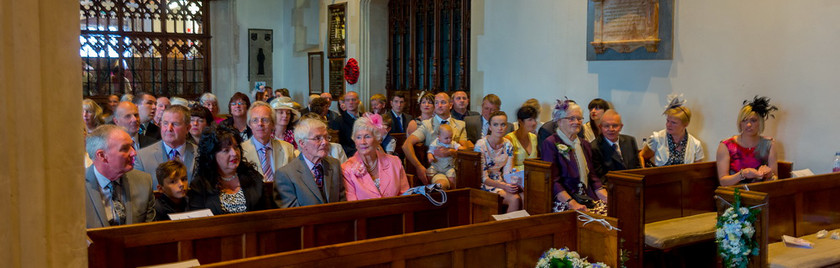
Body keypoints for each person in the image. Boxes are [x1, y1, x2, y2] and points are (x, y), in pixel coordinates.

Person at [540, 99, 606, 214]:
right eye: (571, 118)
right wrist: (572, 202)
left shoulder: (584, 144)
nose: (577, 122)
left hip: (586, 197)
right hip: (563, 200)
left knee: (616, 210)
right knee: (598, 219)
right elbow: (553, 181)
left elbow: (592, 176)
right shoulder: (550, 143)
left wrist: (604, 194)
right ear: (559, 121)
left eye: (579, 118)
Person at [188, 126, 271, 215]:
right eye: (226, 150)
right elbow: (198, 222)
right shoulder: (200, 184)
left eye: (236, 147)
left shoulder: (253, 176)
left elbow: (268, 214)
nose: (234, 153)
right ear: (212, 155)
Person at [85, 125, 156, 228]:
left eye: (132, 146)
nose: (134, 153)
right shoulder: (76, 187)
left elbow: (149, 231)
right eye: (125, 148)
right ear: (102, 156)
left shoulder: (144, 182)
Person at [275, 118, 347, 208]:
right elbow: (292, 214)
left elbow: (342, 202)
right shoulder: (286, 174)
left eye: (326, 137)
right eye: (318, 138)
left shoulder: (334, 165)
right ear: (302, 143)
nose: (325, 142)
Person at [403, 92, 470, 185]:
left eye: (443, 102)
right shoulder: (427, 124)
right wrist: (418, 166)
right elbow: (406, 145)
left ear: (450, 105)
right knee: (442, 184)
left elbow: (465, 150)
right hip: (436, 168)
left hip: (456, 167)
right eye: (436, 103)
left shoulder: (460, 124)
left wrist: (450, 151)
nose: (439, 105)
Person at [341, 113, 410, 201]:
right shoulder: (346, 169)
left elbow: (405, 196)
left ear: (377, 139)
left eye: (367, 136)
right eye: (358, 137)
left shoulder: (394, 162)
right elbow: (352, 205)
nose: (362, 142)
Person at [717, 96, 779, 186]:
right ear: (740, 123)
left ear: (760, 123)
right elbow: (723, 182)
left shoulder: (769, 145)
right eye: (744, 120)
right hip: (734, 196)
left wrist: (769, 175)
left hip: (761, 195)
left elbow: (775, 179)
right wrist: (742, 174)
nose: (748, 124)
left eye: (753, 120)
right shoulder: (726, 145)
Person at [135, 105, 198, 188]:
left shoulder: (200, 154)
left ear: (187, 128)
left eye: (175, 124)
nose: (169, 128)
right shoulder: (142, 157)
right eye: (165, 123)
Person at [475, 111, 522, 213]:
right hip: (484, 184)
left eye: (503, 124)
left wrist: (512, 184)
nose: (499, 128)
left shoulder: (508, 144)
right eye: (495, 125)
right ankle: (505, 228)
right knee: (515, 199)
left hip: (501, 181)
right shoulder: (481, 145)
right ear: (490, 127)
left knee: (524, 196)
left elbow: (507, 173)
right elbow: (483, 178)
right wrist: (503, 186)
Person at [639, 95, 704, 167]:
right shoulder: (657, 138)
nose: (668, 125)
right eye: (667, 121)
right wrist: (645, 173)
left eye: (673, 122)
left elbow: (698, 170)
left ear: (685, 124)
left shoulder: (695, 145)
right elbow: (641, 156)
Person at [241, 101, 296, 182]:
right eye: (255, 120)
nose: (260, 124)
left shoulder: (288, 149)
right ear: (250, 124)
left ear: (273, 124)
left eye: (265, 120)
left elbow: (294, 180)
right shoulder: (241, 151)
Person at [590, 110, 641, 179]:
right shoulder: (594, 147)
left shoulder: (630, 141)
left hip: (634, 184)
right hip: (611, 187)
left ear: (621, 127)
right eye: (606, 126)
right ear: (600, 127)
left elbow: (638, 168)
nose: (611, 129)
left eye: (615, 125)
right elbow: (600, 177)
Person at [426, 124, 461, 189]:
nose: (449, 140)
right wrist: (430, 157)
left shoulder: (452, 143)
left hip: (448, 166)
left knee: (452, 173)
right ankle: (428, 186)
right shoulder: (435, 143)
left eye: (451, 137)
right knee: (429, 171)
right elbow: (430, 151)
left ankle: (453, 189)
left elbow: (459, 147)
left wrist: (458, 148)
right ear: (439, 137)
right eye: (446, 138)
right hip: (436, 165)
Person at [505, 105, 539, 171]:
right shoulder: (509, 139)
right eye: (530, 120)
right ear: (520, 121)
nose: (534, 123)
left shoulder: (534, 137)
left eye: (535, 119)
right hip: (516, 178)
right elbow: (507, 167)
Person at [330, 91, 362, 156]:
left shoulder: (364, 117)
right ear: (344, 103)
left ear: (358, 102)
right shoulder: (338, 121)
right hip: (349, 154)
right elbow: (338, 144)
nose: (350, 102)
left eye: (353, 100)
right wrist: (356, 153)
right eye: (347, 100)